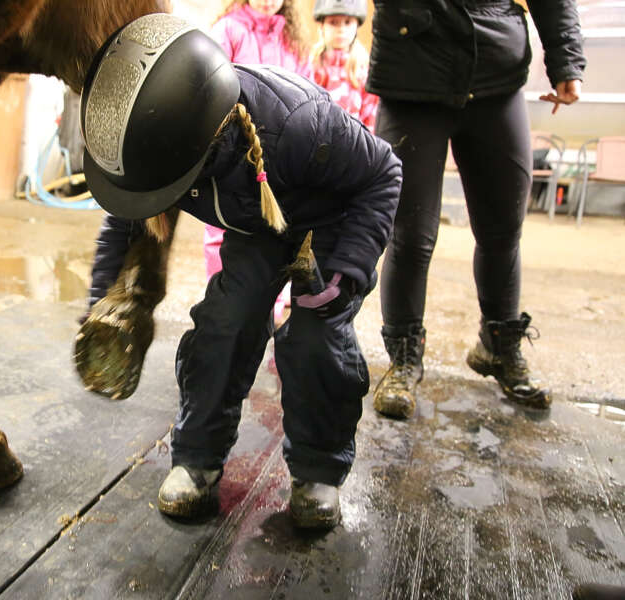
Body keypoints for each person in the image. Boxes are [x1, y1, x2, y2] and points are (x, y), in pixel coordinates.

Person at [79, 14, 401, 528]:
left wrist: (349, 273)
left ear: (203, 149)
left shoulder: (298, 125)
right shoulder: (171, 141)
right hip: (260, 220)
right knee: (225, 321)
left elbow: (384, 171)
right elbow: (127, 220)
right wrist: (102, 300)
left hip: (331, 217)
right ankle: (197, 459)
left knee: (316, 336)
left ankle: (317, 470)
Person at [367, 0, 585, 419]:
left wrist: (566, 62)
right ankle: (404, 359)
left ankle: (499, 347)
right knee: (410, 236)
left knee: (503, 229)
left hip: (495, 75)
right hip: (413, 74)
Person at [204, 0, 312, 322]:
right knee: (222, 230)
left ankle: (271, 307)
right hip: (233, 155)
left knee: (278, 230)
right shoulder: (228, 30)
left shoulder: (295, 39)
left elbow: (308, 95)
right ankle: (221, 302)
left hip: (281, 158)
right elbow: (212, 86)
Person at [309, 0, 378, 130]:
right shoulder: (311, 65)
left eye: (347, 23)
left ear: (357, 25)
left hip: (356, 144)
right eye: (333, 23)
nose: (341, 30)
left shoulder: (364, 70)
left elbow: (371, 115)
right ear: (322, 25)